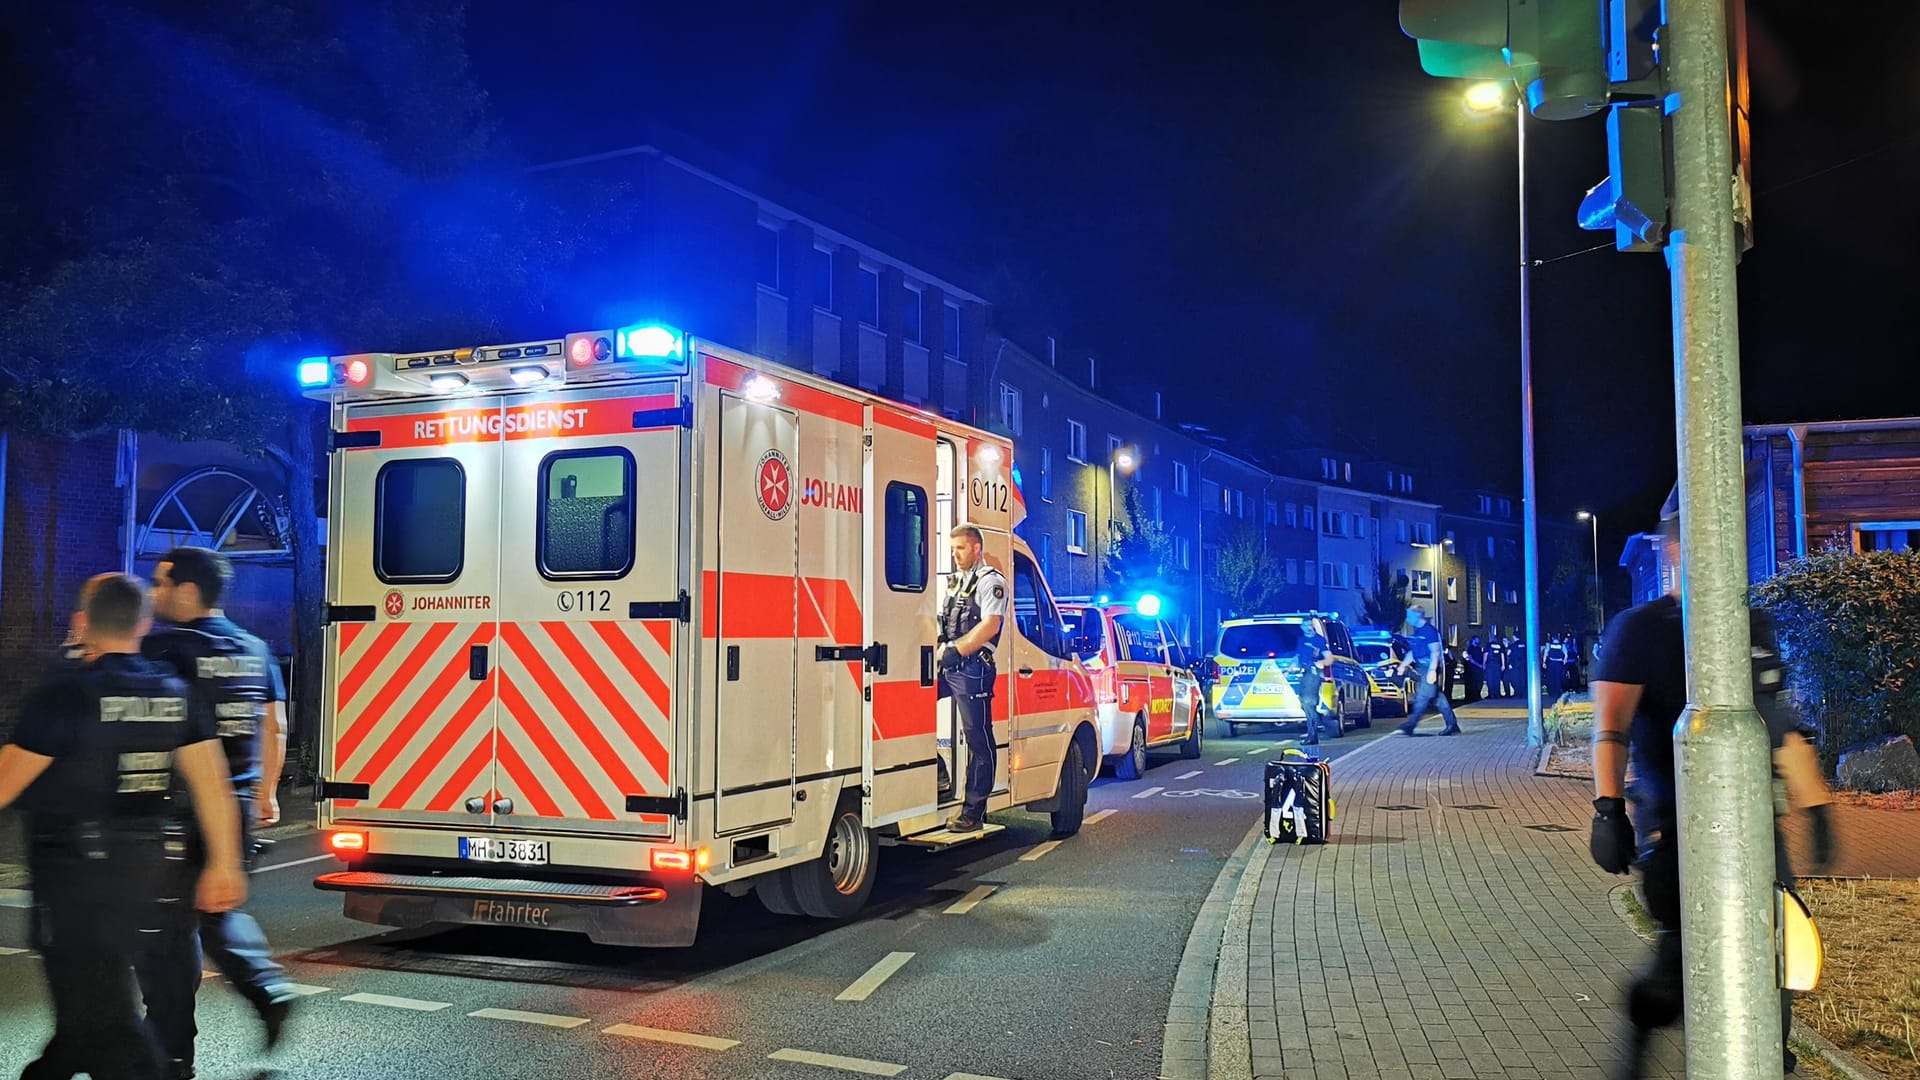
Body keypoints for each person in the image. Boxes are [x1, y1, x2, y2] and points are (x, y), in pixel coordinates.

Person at [0, 574, 247, 1080]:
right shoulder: (173, 690)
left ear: (83, 622)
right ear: (144, 624)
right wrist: (224, 864)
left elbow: (4, 783)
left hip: (76, 886)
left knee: (110, 1032)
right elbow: (212, 785)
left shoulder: (65, 694)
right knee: (82, 1026)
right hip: (149, 878)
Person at [1588, 585, 1836, 1078]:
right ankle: (1637, 1042)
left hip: (1759, 834)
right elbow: (1611, 725)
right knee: (1677, 975)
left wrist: (1817, 808)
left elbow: (1778, 721)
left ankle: (1768, 1061)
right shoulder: (1641, 628)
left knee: (1774, 967)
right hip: (1676, 830)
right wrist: (1608, 810)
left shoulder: (1753, 623)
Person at [134, 548, 298, 1078]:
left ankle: (172, 1049)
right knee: (217, 918)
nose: (153, 594)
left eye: (160, 584)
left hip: (177, 813)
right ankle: (267, 990)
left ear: (186, 590)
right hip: (238, 811)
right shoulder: (254, 649)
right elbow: (273, 726)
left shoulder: (164, 648)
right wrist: (266, 793)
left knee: (167, 936)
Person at [936, 525, 1007, 833]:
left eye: (960, 549)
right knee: (907, 715)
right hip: (948, 664)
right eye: (952, 549)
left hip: (973, 668)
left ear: (977, 548)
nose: (955, 554)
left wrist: (956, 650)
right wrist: (940, 642)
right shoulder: (954, 581)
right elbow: (944, 618)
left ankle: (973, 812)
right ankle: (938, 770)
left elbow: (990, 625)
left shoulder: (991, 582)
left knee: (978, 739)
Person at [1394, 605, 1461, 736]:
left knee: (1423, 696)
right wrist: (1403, 665)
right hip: (1421, 667)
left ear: (1417, 616)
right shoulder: (1418, 632)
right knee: (1438, 699)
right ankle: (1452, 725)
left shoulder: (1429, 631)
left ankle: (1411, 724)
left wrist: (1432, 671)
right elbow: (1413, 653)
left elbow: (1435, 652)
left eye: (1409, 616)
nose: (1407, 619)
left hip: (1428, 666)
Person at [1295, 617, 1332, 746]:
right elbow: (1298, 657)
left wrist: (1321, 663)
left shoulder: (1319, 640)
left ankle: (1312, 736)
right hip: (1305, 674)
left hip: (1314, 673)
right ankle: (1322, 720)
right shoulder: (1301, 640)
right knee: (1304, 704)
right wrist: (1288, 671)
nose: (1308, 627)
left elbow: (1329, 658)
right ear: (1302, 627)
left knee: (1308, 703)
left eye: (1310, 625)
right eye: (1305, 625)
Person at [1542, 632, 1570, 703]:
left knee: (1551, 678)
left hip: (1551, 663)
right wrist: (1564, 661)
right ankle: (1557, 692)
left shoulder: (1549, 645)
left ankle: (1551, 692)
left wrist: (1544, 662)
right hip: (1559, 663)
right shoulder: (1562, 645)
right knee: (1558, 678)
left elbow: (1546, 654)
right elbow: (1566, 654)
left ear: (1552, 638)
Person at [1485, 634, 1509, 700]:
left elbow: (1486, 654)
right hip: (1498, 665)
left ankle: (1491, 694)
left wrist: (1484, 663)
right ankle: (1497, 694)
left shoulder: (1488, 645)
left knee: (1490, 680)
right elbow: (1502, 655)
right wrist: (1503, 665)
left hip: (1490, 665)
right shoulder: (1500, 646)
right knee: (1497, 680)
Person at [1464, 636, 1487, 703]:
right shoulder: (1470, 648)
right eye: (1477, 639)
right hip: (1473, 669)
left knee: (1479, 683)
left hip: (1479, 669)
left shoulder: (1479, 649)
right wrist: (1479, 665)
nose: (1479, 640)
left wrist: (1483, 665)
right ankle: (1472, 697)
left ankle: (1478, 695)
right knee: (1473, 684)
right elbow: (1471, 659)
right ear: (1474, 640)